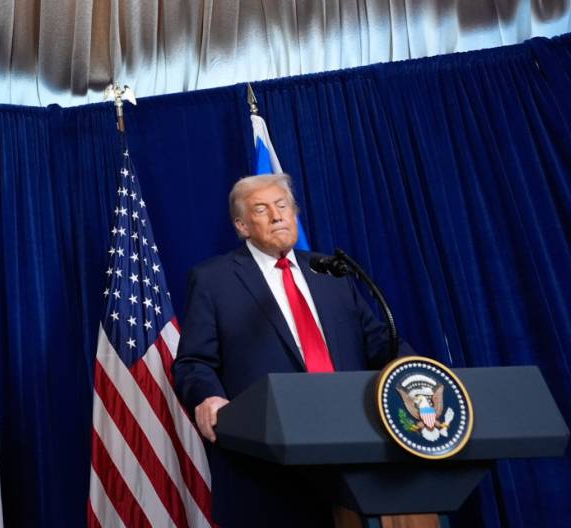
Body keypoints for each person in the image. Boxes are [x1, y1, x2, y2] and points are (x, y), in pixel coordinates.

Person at [172, 173, 414, 527]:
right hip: (270, 458)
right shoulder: (214, 279)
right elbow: (194, 361)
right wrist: (208, 397)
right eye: (262, 209)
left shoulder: (329, 272)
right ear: (241, 226)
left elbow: (377, 340)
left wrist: (413, 370)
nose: (277, 216)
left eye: (283, 206)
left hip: (355, 441)